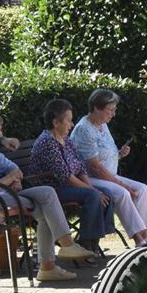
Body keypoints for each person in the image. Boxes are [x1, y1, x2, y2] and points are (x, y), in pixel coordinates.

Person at [0, 109, 96, 281]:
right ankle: (53, 261)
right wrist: (11, 178)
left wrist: (14, 178)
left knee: (47, 193)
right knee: (44, 206)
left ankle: (55, 259)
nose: (1, 135)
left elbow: (14, 168)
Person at [71, 89, 147, 248]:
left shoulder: (102, 124)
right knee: (123, 193)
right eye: (110, 110)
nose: (113, 114)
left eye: (114, 110)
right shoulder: (84, 129)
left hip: (106, 175)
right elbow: (95, 167)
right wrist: (123, 185)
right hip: (88, 178)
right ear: (97, 108)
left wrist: (118, 154)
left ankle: (146, 237)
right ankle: (139, 241)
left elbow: (103, 155)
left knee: (142, 189)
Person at [31, 99, 115, 253]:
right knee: (93, 196)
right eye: (68, 121)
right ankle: (85, 244)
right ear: (56, 122)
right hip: (52, 189)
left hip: (68, 186)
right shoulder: (47, 142)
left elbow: (80, 168)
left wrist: (92, 187)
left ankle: (93, 242)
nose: (71, 124)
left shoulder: (66, 140)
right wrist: (94, 191)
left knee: (107, 193)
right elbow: (66, 176)